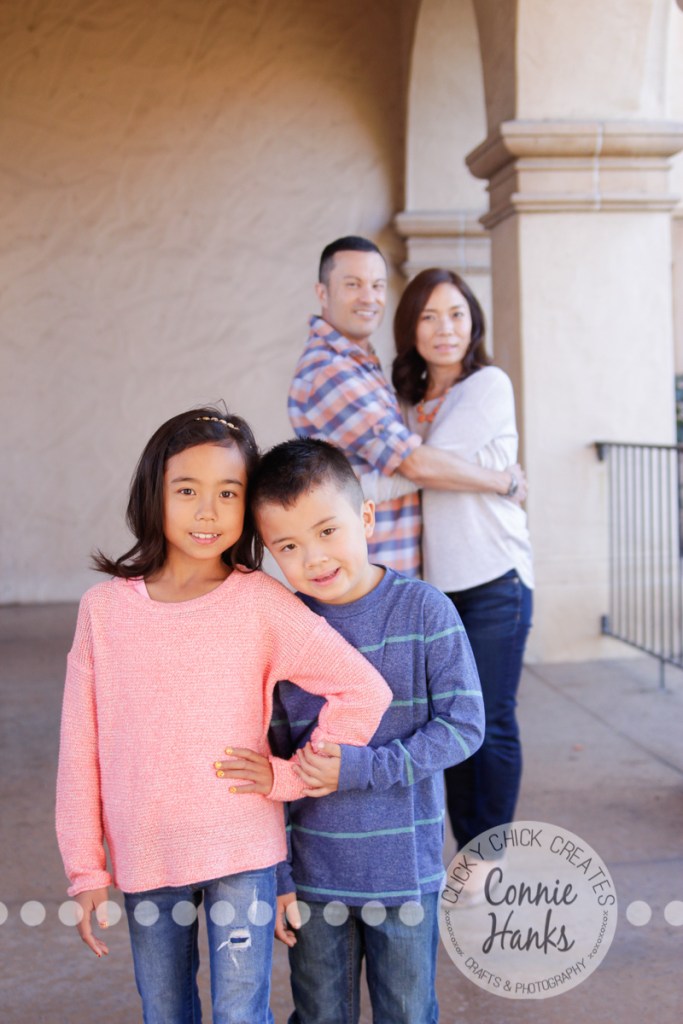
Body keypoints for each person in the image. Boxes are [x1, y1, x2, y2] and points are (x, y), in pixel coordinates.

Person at [55, 407, 393, 1024]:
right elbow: (80, 746)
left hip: (242, 849)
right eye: (187, 490)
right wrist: (85, 869)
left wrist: (292, 776)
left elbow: (361, 689)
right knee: (165, 1010)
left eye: (228, 493)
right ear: (152, 491)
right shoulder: (104, 611)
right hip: (145, 850)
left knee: (242, 1014)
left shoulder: (261, 602)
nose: (207, 511)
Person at [220, 437, 484, 1024]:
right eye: (288, 546)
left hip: (406, 874)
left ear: (366, 516)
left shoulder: (424, 611)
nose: (314, 558)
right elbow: (274, 756)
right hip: (316, 881)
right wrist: (280, 875)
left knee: (408, 1012)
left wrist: (362, 767)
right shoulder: (285, 629)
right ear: (269, 554)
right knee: (320, 1014)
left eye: (328, 530)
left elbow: (464, 727)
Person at [392, 268, 534, 862]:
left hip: (496, 579)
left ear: (473, 320)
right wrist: (502, 480)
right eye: (428, 316)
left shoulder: (486, 385)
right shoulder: (407, 400)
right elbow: (408, 465)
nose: (444, 328)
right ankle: (468, 851)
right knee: (450, 725)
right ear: (411, 329)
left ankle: (487, 858)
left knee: (492, 719)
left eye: (455, 313)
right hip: (436, 590)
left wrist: (410, 460)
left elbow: (417, 466)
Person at [288, 235, 526, 578]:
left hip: (428, 570)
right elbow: (415, 464)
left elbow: (417, 464)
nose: (368, 297)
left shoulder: (364, 367)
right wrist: (502, 481)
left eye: (377, 285)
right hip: (373, 574)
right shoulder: (332, 372)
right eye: (352, 284)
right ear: (322, 292)